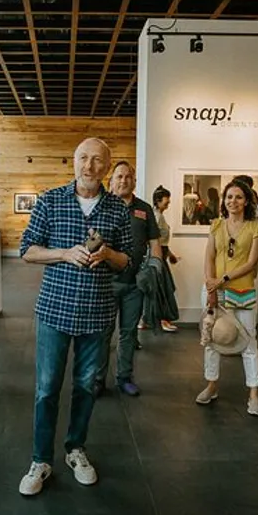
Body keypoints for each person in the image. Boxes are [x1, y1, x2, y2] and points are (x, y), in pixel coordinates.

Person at [17, 137, 131, 496]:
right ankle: (40, 459)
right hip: (54, 309)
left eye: (98, 160)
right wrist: (64, 254)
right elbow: (27, 251)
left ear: (107, 167)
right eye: (83, 158)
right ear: (74, 161)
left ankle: (75, 449)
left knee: (85, 388)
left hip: (97, 314)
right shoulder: (51, 200)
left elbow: (129, 260)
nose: (89, 166)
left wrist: (108, 254)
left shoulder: (117, 210)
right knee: (46, 389)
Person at [196, 179, 258, 416]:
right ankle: (211, 385)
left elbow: (251, 263)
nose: (232, 201)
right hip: (215, 288)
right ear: (223, 201)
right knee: (213, 340)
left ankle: (254, 394)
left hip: (242, 290)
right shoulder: (216, 225)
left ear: (247, 200)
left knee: (248, 341)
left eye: (238, 197)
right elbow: (209, 257)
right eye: (229, 197)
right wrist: (211, 285)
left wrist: (221, 279)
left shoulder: (257, 228)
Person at [97, 161, 160, 396]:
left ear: (134, 180)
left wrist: (154, 270)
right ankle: (97, 379)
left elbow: (155, 243)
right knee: (103, 333)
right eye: (119, 177)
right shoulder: (102, 207)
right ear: (111, 181)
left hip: (135, 283)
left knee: (128, 333)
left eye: (128, 177)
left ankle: (124, 378)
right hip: (106, 283)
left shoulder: (144, 209)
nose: (123, 181)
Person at [151, 185, 178, 333]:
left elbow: (162, 241)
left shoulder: (159, 215)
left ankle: (151, 320)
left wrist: (171, 255)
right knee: (164, 288)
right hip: (158, 255)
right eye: (166, 200)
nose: (168, 203)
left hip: (161, 254)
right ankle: (162, 320)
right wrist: (161, 257)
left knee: (162, 287)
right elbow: (155, 241)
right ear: (158, 200)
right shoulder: (156, 217)